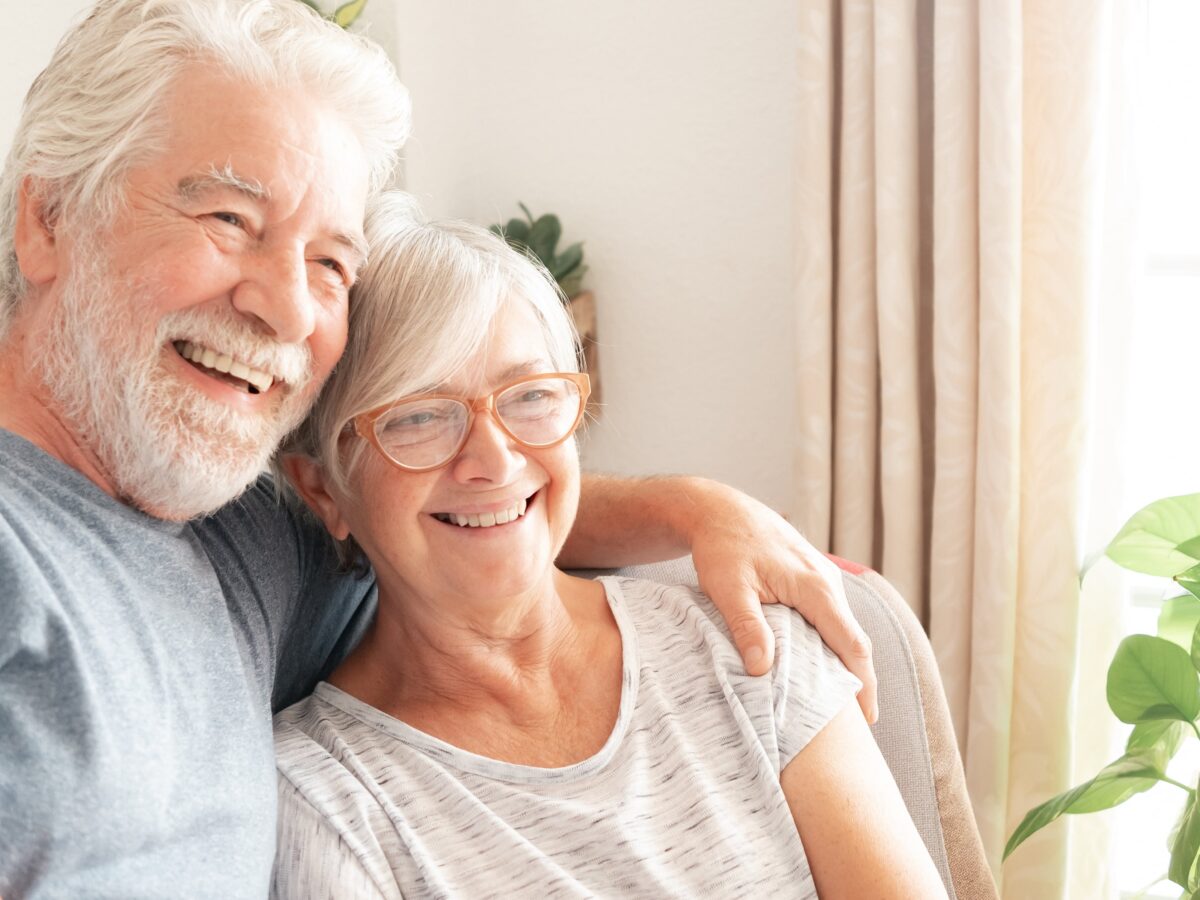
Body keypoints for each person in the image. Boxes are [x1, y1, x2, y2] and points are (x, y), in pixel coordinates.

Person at [0, 1, 875, 896]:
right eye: (228, 218)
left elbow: (451, 513)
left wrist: (698, 509)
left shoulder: (237, 536)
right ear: (49, 219)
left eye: (330, 264)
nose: (291, 308)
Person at [271, 196, 946, 899]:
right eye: (417, 416)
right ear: (322, 490)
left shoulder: (748, 648)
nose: (495, 462)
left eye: (529, 396)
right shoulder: (324, 799)